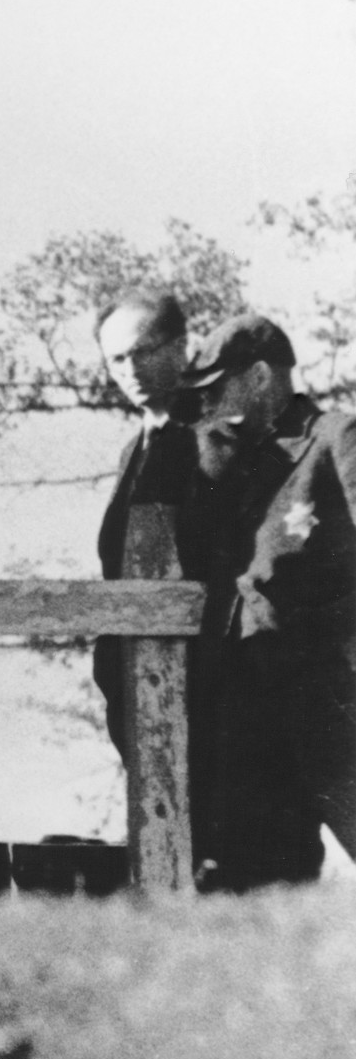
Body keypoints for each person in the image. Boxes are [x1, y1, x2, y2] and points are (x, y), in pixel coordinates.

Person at [182, 313, 356, 891]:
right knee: (265, 873)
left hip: (327, 688)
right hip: (252, 700)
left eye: (218, 388)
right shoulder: (238, 459)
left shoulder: (335, 437)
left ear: (258, 375)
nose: (213, 404)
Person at [92, 291, 205, 761]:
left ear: (181, 346)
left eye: (143, 351)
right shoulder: (132, 452)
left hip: (203, 671)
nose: (130, 369)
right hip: (135, 673)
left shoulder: (213, 436)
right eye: (117, 358)